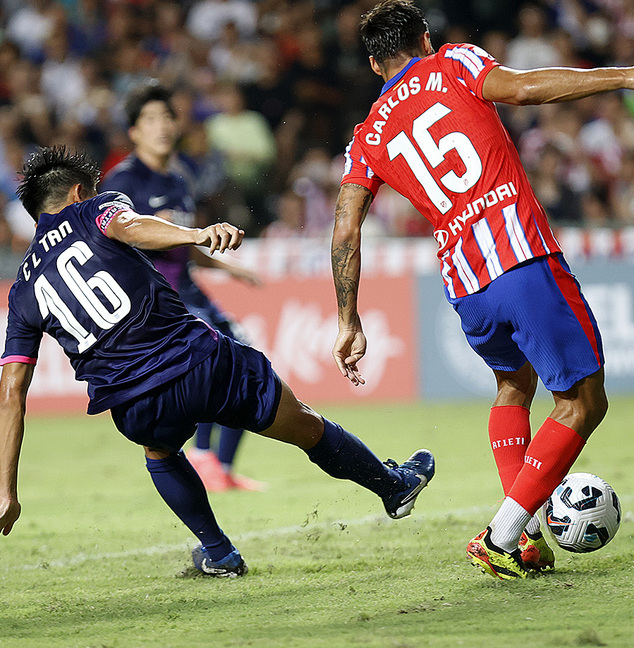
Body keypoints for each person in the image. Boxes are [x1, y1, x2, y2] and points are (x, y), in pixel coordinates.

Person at [331, 0, 634, 580]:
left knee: (513, 384)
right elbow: (520, 89)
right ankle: (502, 536)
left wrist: (348, 319)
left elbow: (345, 230)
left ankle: (522, 541)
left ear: (375, 67)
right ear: (425, 37)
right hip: (518, 257)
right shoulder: (453, 61)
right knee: (582, 401)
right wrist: (629, 74)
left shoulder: (367, 135)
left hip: (465, 283)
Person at [0, 146, 435, 577]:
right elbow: (130, 226)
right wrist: (193, 234)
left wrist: (7, 491)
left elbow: (12, 395)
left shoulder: (21, 290)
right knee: (303, 424)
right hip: (197, 361)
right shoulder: (92, 210)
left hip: (133, 404)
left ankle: (220, 553)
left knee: (161, 452)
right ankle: (392, 486)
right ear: (79, 193)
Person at [102, 81, 263, 493]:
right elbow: (127, 239)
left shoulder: (179, 178)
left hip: (189, 291)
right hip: (156, 302)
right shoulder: (123, 182)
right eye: (150, 119)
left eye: (167, 117)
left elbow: (185, 241)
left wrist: (230, 268)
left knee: (247, 357)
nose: (162, 126)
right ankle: (204, 456)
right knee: (213, 358)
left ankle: (220, 468)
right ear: (134, 131)